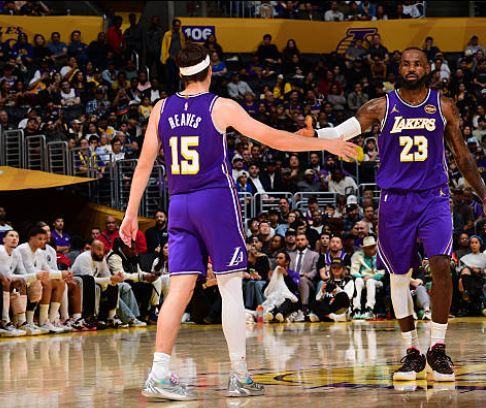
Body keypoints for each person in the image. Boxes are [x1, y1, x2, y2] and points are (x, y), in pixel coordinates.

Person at [119, 43, 356, 401]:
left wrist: (131, 213)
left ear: (180, 73)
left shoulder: (161, 108)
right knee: (230, 286)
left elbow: (143, 164)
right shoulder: (221, 106)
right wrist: (325, 144)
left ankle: (159, 373)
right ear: (209, 71)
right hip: (214, 201)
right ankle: (240, 375)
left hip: (179, 203)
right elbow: (272, 139)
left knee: (180, 288)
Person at [299, 47, 486, 382]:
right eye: (406, 63)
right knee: (399, 276)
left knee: (441, 265)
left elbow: (462, 156)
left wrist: (485, 196)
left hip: (434, 196)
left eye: (417, 63)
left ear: (428, 69)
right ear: (398, 68)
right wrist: (316, 135)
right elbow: (344, 130)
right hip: (395, 199)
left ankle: (437, 348)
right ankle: (412, 351)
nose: (411, 68)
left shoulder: (443, 106)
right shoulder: (380, 106)